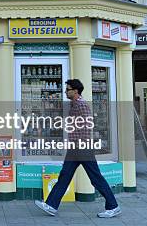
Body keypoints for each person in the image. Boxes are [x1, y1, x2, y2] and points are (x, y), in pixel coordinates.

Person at [35, 79, 121, 218]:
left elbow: (86, 126)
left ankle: (113, 206)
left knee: (95, 178)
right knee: (64, 176)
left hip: (82, 147)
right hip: (75, 148)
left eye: (68, 89)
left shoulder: (81, 105)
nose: (65, 91)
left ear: (75, 91)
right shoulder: (74, 104)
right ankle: (51, 205)